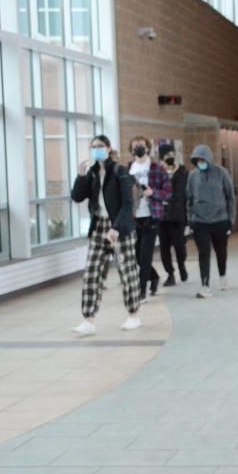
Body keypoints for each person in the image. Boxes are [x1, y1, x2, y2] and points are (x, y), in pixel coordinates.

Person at [70, 135, 141, 335]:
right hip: (99, 227)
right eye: (93, 147)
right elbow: (77, 197)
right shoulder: (92, 174)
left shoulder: (120, 172)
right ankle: (89, 319)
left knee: (127, 272)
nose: (96, 150)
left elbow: (128, 204)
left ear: (109, 149)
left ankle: (134, 315)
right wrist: (80, 176)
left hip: (120, 227)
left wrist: (117, 228)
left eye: (100, 146)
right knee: (91, 272)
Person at [186, 144, 235, 298]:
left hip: (220, 219)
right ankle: (205, 285)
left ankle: (222, 276)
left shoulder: (222, 173)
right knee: (203, 252)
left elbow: (230, 197)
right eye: (197, 160)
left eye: (203, 160)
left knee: (221, 250)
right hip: (200, 221)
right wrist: (190, 220)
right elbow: (189, 198)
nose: (201, 163)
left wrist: (230, 220)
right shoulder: (193, 176)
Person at [127, 135, 172, 303]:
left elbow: (168, 192)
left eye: (141, 145)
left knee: (145, 255)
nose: (138, 148)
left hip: (152, 215)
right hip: (134, 217)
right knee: (137, 255)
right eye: (135, 145)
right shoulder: (128, 169)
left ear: (147, 148)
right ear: (131, 150)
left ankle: (142, 291)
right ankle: (153, 277)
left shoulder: (156, 169)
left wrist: (154, 193)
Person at [157, 143, 188, 286]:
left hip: (177, 215)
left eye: (172, 154)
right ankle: (170, 273)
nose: (170, 157)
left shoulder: (182, 172)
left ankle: (181, 265)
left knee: (179, 245)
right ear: (161, 157)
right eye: (167, 155)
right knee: (164, 247)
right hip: (162, 217)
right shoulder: (157, 172)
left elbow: (183, 194)